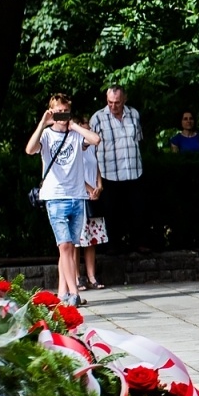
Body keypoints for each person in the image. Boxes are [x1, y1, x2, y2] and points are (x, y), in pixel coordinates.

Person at [26, 94, 100, 307]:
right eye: (58, 112)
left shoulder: (75, 134)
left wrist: (73, 125)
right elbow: (30, 149)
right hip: (55, 196)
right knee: (65, 245)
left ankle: (61, 293)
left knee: (68, 248)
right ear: (51, 112)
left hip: (77, 196)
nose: (61, 116)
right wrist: (43, 123)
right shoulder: (47, 135)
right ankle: (74, 293)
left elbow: (96, 140)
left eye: (65, 111)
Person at [91, 86, 145, 252]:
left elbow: (139, 139)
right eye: (110, 102)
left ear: (124, 100)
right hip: (109, 172)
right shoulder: (98, 118)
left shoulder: (134, 114)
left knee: (137, 209)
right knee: (111, 212)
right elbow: (91, 146)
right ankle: (112, 246)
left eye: (117, 103)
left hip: (133, 171)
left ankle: (139, 243)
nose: (113, 106)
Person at [74, 113, 108, 289]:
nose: (89, 126)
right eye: (86, 123)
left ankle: (92, 275)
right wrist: (89, 189)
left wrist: (99, 185)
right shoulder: (74, 145)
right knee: (77, 240)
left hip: (94, 195)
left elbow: (96, 167)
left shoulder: (92, 146)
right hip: (80, 195)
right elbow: (74, 171)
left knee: (91, 239)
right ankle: (77, 277)